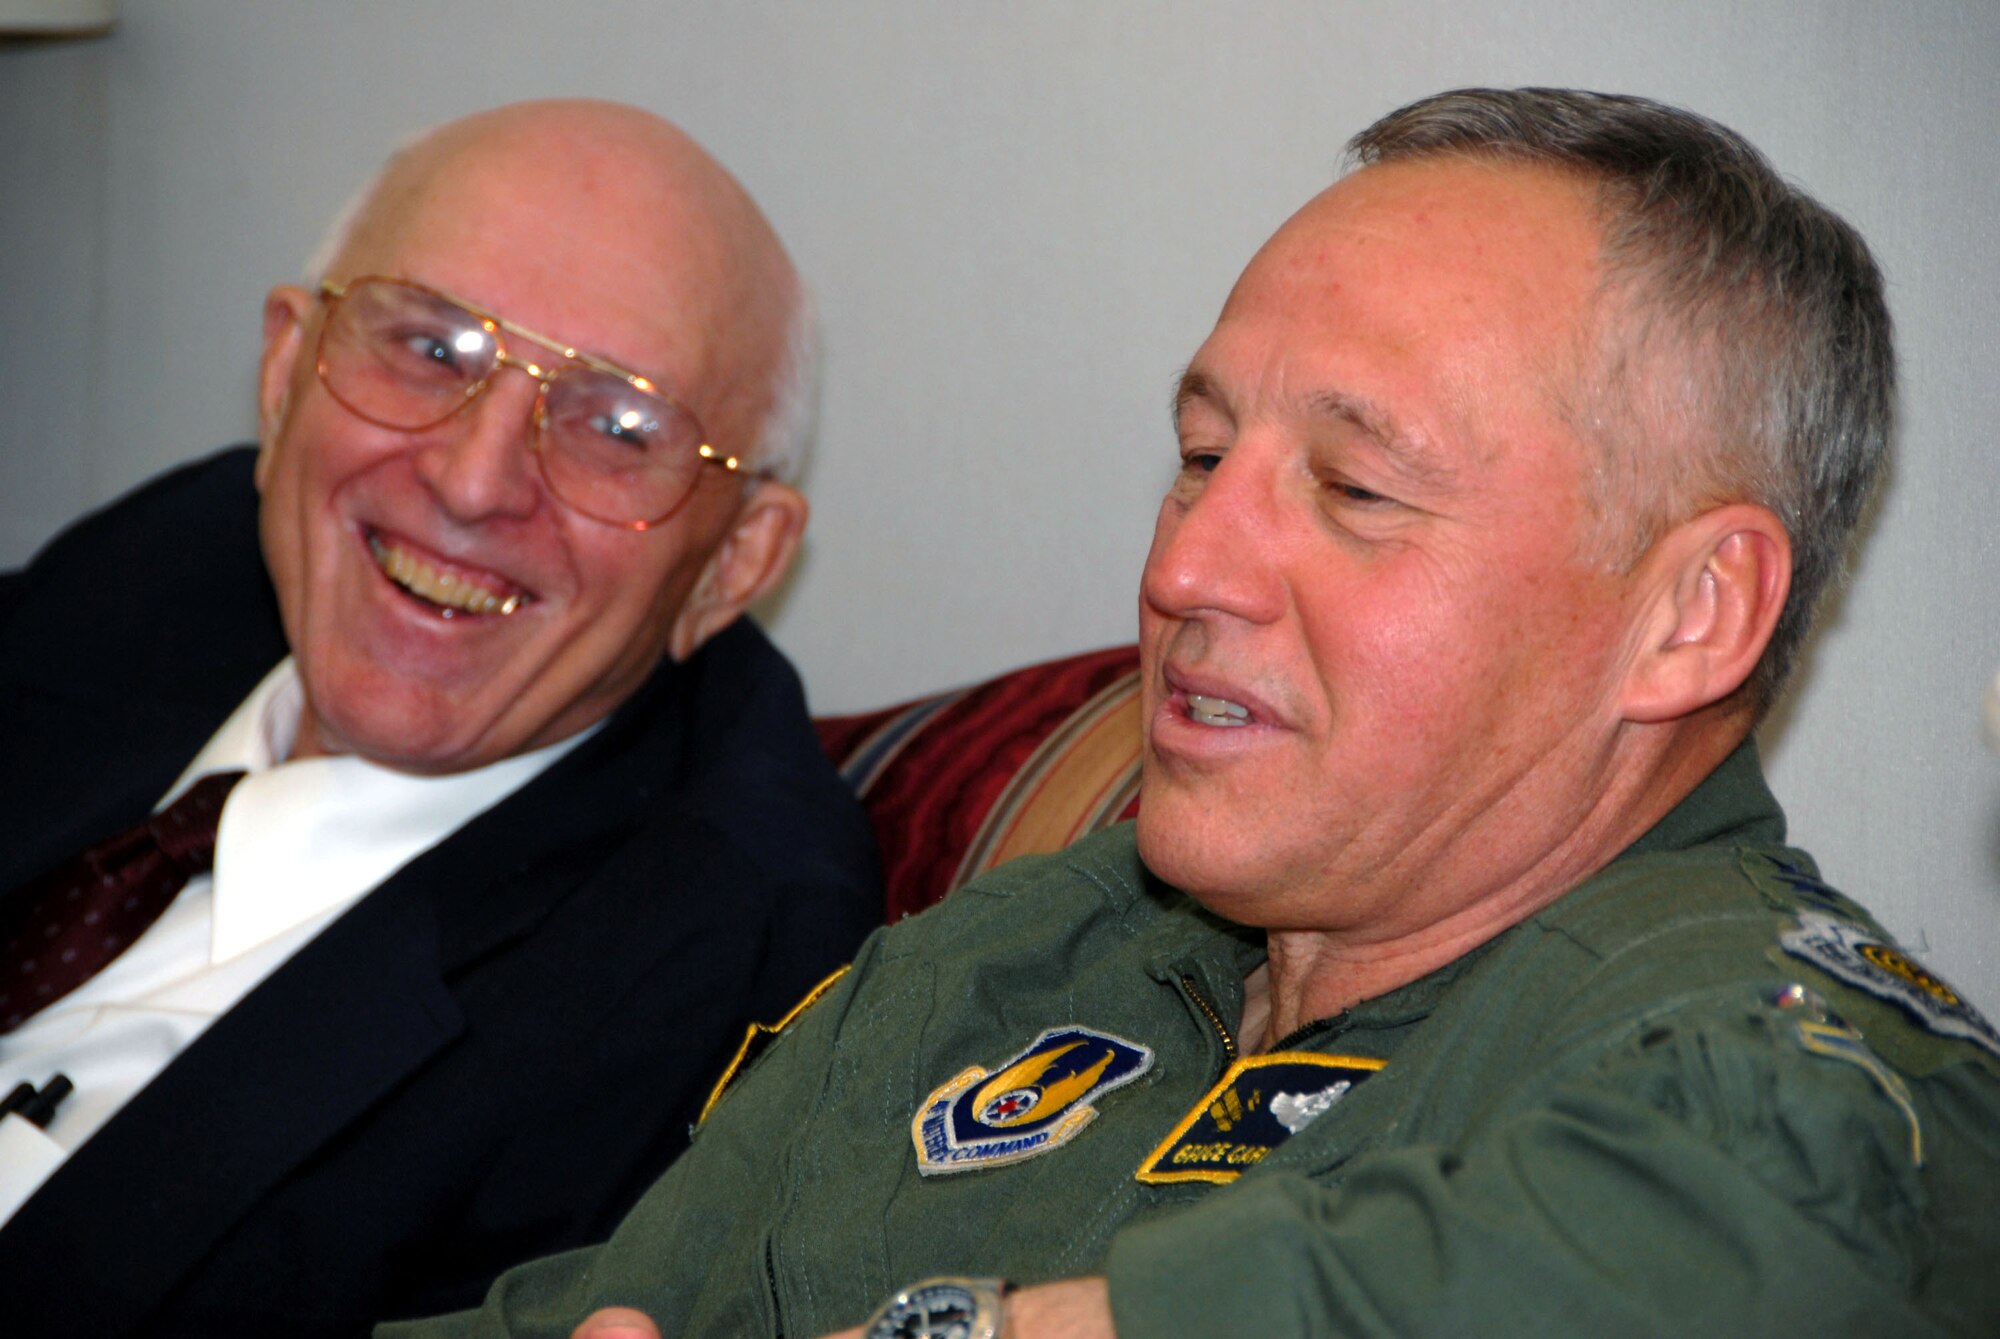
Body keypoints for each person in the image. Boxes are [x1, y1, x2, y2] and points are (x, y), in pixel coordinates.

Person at [394, 88, 2000, 1339]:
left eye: (1357, 487)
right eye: (1201, 452)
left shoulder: (1788, 1066)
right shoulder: (1019, 947)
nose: (1187, 561)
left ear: (1689, 613)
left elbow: (1844, 1217)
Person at [0, 100, 880, 1337]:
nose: (471, 479)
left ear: (734, 563)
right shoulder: (162, 571)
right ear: (282, 369)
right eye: (429, 347)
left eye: (616, 426)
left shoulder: (702, 978)